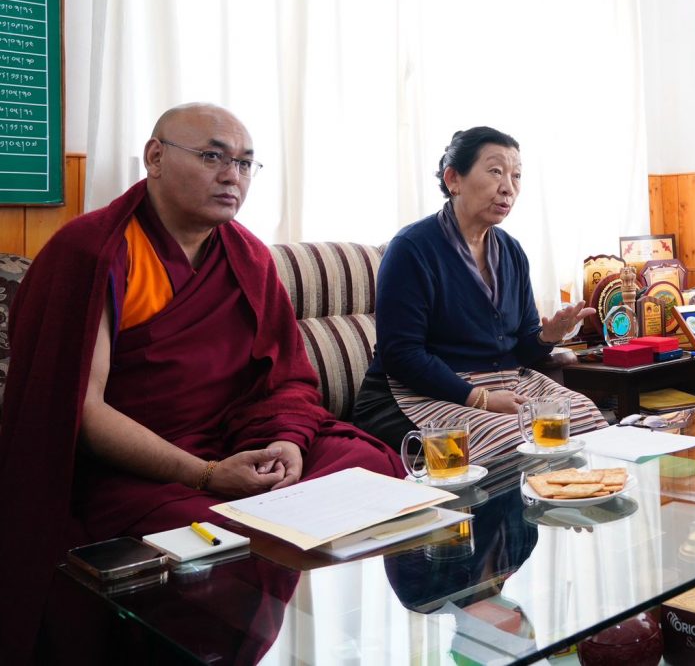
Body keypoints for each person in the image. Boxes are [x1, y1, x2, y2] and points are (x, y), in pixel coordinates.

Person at [0, 103, 403, 663]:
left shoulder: (248, 255)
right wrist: (207, 474)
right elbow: (83, 412)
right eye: (213, 156)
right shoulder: (93, 253)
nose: (232, 176)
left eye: (245, 163)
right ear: (155, 157)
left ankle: (350, 636)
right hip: (136, 468)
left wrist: (286, 441)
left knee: (371, 465)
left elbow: (287, 380)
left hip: (237, 442)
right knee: (226, 543)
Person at [354, 126, 606, 460]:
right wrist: (479, 399)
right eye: (495, 171)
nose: (508, 188)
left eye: (516, 176)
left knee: (585, 418)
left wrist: (547, 336)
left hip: (504, 383)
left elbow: (518, 350)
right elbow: (401, 354)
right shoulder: (412, 248)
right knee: (514, 438)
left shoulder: (512, 251)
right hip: (420, 392)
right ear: (453, 179)